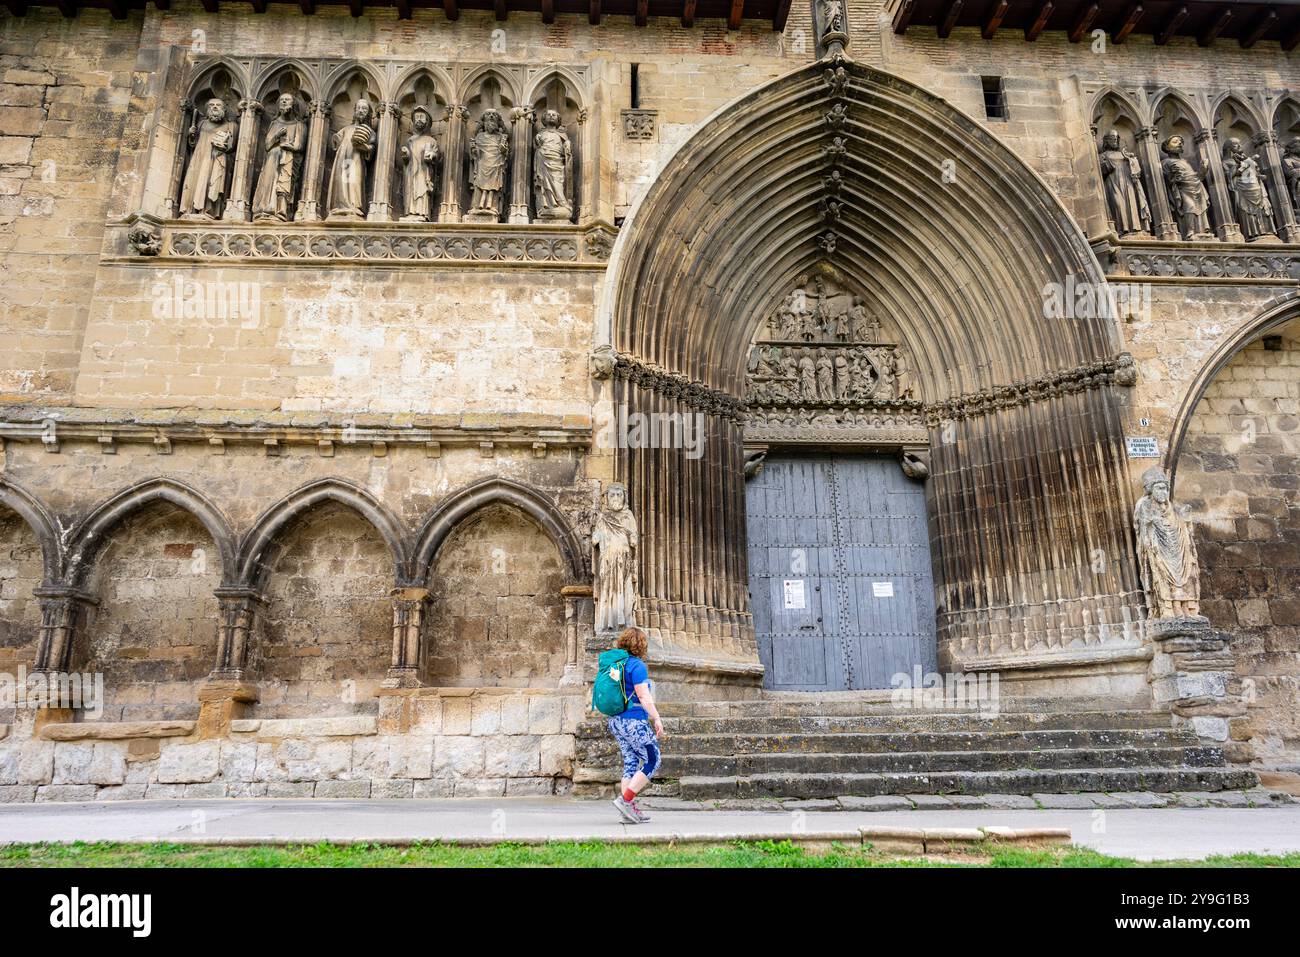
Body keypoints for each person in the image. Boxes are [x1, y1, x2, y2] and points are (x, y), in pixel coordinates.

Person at [608, 626, 664, 824]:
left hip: (616, 721)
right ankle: (626, 800)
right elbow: (643, 695)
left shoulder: (616, 665)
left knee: (631, 762)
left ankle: (627, 811)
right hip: (633, 721)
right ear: (640, 645)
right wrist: (656, 717)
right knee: (653, 759)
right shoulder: (637, 666)